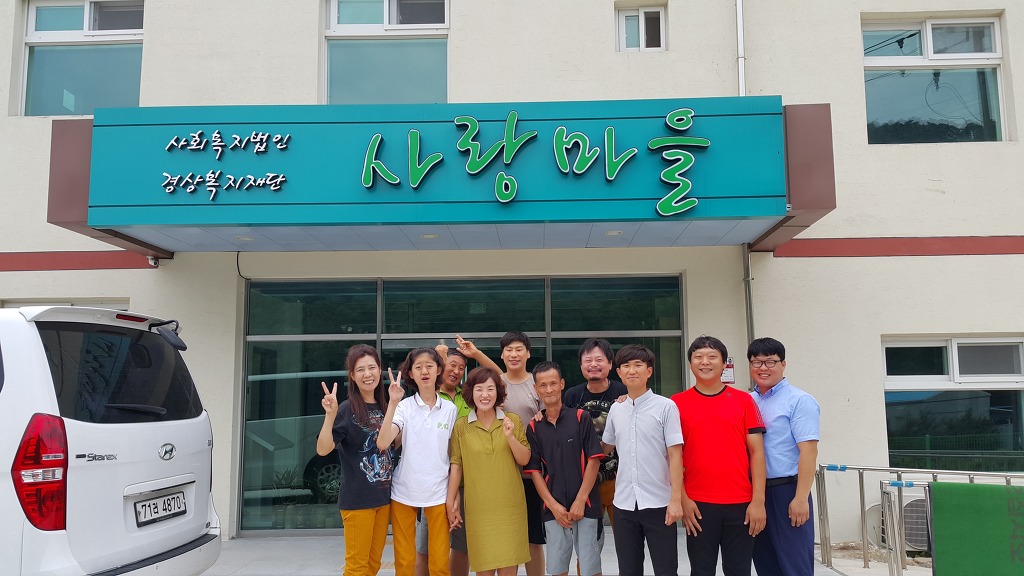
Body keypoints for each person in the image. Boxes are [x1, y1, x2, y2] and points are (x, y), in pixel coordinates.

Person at [671, 336, 767, 576]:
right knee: (701, 570)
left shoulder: (744, 401)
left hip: (741, 503)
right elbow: (671, 457)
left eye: (712, 357)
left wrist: (758, 502)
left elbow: (757, 453)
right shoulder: (676, 404)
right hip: (697, 505)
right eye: (698, 357)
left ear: (724, 363)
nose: (705, 362)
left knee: (739, 570)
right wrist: (683, 499)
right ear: (690, 364)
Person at [460, 330, 545, 576]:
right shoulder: (497, 383)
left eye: (519, 349)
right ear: (502, 354)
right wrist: (476, 354)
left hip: (530, 471)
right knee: (497, 536)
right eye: (509, 350)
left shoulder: (537, 383)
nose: (514, 354)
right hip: (500, 473)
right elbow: (492, 373)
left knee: (532, 537)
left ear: (528, 353)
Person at [601, 344, 683, 576]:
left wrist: (676, 500)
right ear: (619, 372)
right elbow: (605, 448)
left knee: (666, 569)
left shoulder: (666, 407)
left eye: (638, 365)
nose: (632, 370)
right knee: (628, 570)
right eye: (626, 366)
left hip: (659, 503)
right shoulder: (616, 409)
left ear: (649, 371)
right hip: (624, 504)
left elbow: (675, 456)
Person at [315, 344, 395, 576]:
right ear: (352, 375)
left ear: (379, 370)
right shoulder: (346, 409)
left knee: (373, 564)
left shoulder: (386, 406)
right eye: (360, 369)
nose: (367, 374)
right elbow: (323, 449)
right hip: (358, 500)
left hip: (383, 498)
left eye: (372, 367)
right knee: (357, 567)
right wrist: (330, 416)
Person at [378, 348, 457, 576]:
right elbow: (383, 442)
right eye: (418, 367)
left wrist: (454, 496)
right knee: (404, 562)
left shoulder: (450, 409)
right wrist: (393, 403)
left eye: (429, 366)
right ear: (411, 373)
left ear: (439, 370)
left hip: (438, 492)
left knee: (440, 563)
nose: (424, 371)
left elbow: (453, 455)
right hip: (404, 490)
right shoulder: (404, 407)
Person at [447, 367, 532, 576]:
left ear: (498, 392)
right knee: (483, 568)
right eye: (479, 389)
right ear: (471, 392)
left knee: (508, 567)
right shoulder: (461, 426)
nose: (485, 395)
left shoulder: (512, 420)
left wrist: (510, 437)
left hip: (510, 507)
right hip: (478, 509)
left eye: (490, 389)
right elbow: (456, 465)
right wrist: (450, 501)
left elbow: (524, 459)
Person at [747, 338, 820, 576]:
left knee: (794, 564)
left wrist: (801, 498)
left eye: (770, 361)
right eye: (757, 362)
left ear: (783, 364)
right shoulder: (748, 401)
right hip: (755, 493)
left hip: (787, 491)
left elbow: (809, 451)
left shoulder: (799, 400)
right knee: (765, 562)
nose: (763, 368)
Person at [525, 361, 605, 576]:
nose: (549, 389)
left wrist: (580, 501)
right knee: (557, 568)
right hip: (553, 509)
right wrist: (552, 506)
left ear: (562, 384)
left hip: (587, 505)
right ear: (536, 389)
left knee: (590, 568)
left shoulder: (580, 418)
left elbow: (594, 460)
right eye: (543, 385)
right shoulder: (534, 427)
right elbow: (535, 471)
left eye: (553, 383)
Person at [414, 344, 473, 576]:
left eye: (461, 367)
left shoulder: (469, 397)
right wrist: (440, 356)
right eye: (452, 365)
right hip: (432, 483)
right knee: (425, 548)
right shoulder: (428, 394)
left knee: (461, 545)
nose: (456, 371)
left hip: (463, 481)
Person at [562, 338, 627, 529]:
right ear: (581, 365)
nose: (593, 365)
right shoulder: (572, 395)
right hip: (585, 481)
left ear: (610, 363)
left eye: (599, 360)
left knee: (626, 539)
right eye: (588, 360)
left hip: (620, 479)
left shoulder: (624, 391)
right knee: (589, 542)